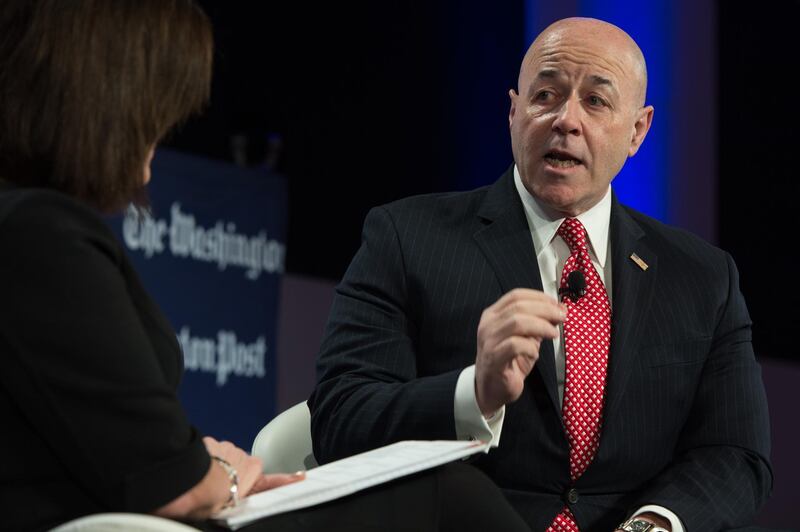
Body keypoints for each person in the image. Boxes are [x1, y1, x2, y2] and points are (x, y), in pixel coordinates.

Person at [0, 1, 532, 531]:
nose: (158, 137)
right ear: (102, 101)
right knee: (447, 493)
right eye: (156, 110)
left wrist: (202, 469)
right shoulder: (40, 234)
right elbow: (174, 485)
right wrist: (225, 476)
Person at [309, 17, 772, 532]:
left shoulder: (704, 277)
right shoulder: (407, 237)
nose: (566, 120)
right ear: (513, 111)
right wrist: (474, 393)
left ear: (638, 131)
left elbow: (736, 453)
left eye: (596, 101)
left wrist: (654, 525)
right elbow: (339, 419)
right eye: (546, 95)